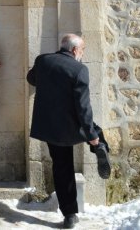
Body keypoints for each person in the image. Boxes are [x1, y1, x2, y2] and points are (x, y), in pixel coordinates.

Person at [27, 34, 110, 229]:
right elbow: (83, 108)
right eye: (82, 50)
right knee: (95, 132)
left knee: (61, 166)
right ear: (74, 50)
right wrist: (91, 136)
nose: (82, 54)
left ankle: (70, 215)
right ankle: (99, 145)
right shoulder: (79, 69)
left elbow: (31, 79)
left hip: (48, 125)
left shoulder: (43, 60)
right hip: (71, 126)